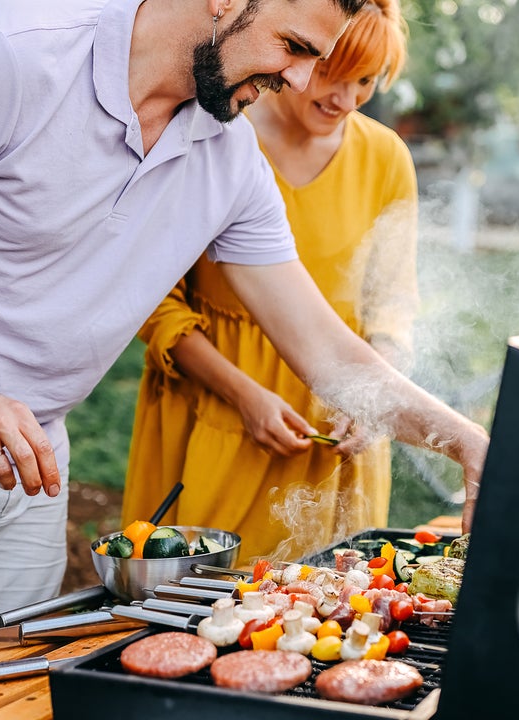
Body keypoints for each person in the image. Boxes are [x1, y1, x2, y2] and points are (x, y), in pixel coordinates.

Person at [0, 0, 487, 716]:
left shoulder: (229, 153)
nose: (304, 79)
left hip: (29, 466)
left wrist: (467, 441)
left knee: (4, 700)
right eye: (294, 45)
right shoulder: (7, 56)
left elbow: (327, 352)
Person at [120, 0, 420, 562]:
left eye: (366, 82)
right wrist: (245, 395)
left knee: (325, 612)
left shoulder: (386, 159)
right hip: (216, 406)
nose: (344, 100)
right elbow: (156, 302)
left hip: (335, 413)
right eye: (331, 72)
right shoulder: (219, 131)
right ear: (304, 54)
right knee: (195, 603)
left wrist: (371, 398)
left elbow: (393, 300)